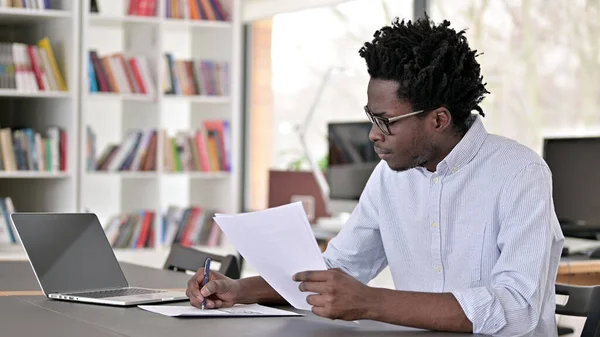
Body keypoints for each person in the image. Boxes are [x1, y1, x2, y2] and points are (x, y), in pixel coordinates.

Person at [186, 15, 564, 337]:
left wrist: (372, 302)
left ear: (438, 119)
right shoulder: (391, 177)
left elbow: (517, 308)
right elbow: (336, 271)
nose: (372, 134)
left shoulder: (520, 173)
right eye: (371, 117)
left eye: (386, 122)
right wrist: (238, 289)